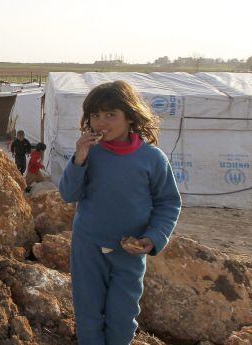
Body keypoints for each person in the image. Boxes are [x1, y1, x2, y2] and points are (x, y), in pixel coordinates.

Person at [58, 80, 181, 344]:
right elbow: (68, 194)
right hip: (88, 247)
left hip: (130, 252)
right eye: (95, 115)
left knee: (122, 319)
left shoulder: (152, 159)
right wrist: (79, 158)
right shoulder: (90, 154)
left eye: (110, 114)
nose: (102, 122)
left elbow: (168, 202)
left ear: (130, 116)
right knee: (88, 315)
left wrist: (154, 237)